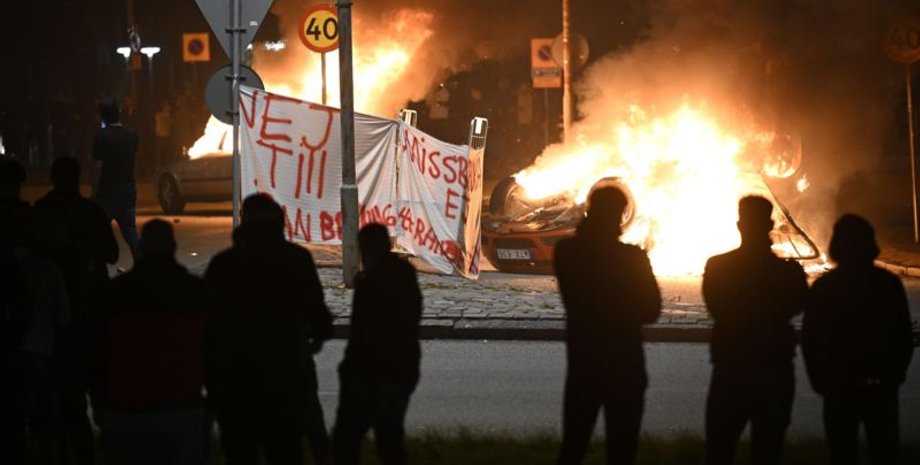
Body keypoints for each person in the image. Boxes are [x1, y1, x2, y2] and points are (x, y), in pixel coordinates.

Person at [205, 193, 333, 465]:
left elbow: (207, 327)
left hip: (238, 381)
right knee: (286, 451)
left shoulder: (223, 265)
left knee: (241, 453)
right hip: (287, 377)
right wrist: (314, 339)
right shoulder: (296, 260)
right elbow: (319, 316)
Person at [553, 185, 661, 465]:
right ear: (621, 215)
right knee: (623, 450)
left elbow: (577, 301)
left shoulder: (567, 252)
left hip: (584, 365)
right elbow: (652, 310)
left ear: (589, 208)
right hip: (626, 366)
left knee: (573, 446)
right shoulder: (632, 257)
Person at [89, 219, 210, 465]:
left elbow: (97, 352)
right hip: (182, 407)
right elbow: (214, 353)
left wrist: (100, 404)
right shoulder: (195, 292)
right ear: (174, 247)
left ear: (142, 247)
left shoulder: (116, 294)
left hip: (128, 408)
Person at [702, 195, 808, 465]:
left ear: (740, 225)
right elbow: (798, 305)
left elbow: (716, 307)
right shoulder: (788, 272)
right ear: (769, 224)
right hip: (774, 368)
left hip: (731, 367)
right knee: (769, 450)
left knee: (720, 448)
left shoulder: (718, 266)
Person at [802, 215, 914, 465]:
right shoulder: (888, 284)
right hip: (880, 385)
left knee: (842, 452)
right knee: (884, 451)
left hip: (839, 386)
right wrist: (894, 375)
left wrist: (820, 381)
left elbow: (810, 339)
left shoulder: (825, 287)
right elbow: (903, 336)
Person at [37, 157, 118, 464]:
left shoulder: (43, 213)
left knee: (59, 391)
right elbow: (111, 254)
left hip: (53, 318)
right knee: (96, 383)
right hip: (90, 308)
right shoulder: (92, 211)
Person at [332, 223, 423, 465]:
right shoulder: (405, 274)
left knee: (347, 439)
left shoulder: (370, 282)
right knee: (390, 437)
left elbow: (362, 332)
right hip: (402, 368)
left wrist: (349, 369)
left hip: (372, 373)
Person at [92, 99, 140, 261]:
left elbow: (98, 167)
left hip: (107, 193)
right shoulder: (132, 135)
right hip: (127, 191)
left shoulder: (101, 136)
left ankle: (96, 270)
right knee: (131, 235)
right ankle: (143, 266)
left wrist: (94, 192)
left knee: (97, 235)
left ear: (103, 117)